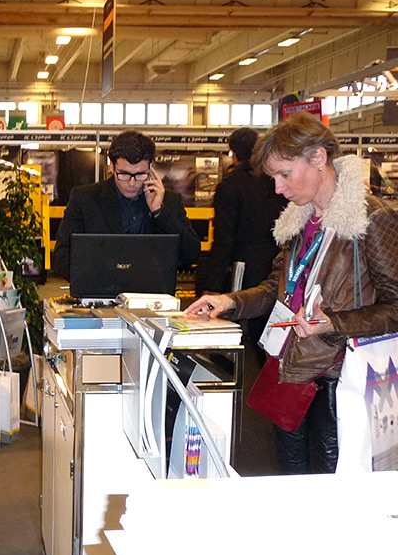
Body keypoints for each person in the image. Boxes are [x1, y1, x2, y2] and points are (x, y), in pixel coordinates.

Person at [186, 112, 398, 475]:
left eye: (284, 174)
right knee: (292, 480)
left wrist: (333, 323)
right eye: (274, 177)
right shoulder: (301, 218)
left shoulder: (371, 220)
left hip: (337, 380)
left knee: (331, 487)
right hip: (291, 370)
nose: (278, 188)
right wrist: (231, 302)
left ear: (318, 158)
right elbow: (278, 287)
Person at [52, 129, 201, 280]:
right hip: (101, 290)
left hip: (152, 292)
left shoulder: (169, 201)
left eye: (140, 174)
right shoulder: (85, 199)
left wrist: (159, 212)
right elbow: (62, 256)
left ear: (150, 168)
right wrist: (97, 283)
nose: (132, 182)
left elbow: (191, 254)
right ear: (112, 167)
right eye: (124, 174)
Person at [195, 128, 287, 358]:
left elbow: (224, 240)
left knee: (237, 337)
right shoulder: (276, 183)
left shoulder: (230, 187)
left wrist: (213, 284)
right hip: (279, 270)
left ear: (233, 154)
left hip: (242, 273)